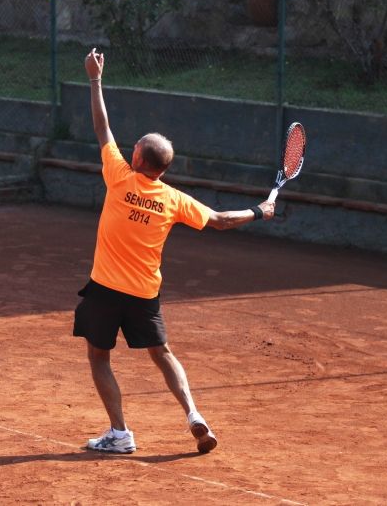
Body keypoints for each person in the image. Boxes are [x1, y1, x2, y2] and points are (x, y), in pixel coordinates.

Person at [75, 48, 276, 454]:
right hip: (145, 294)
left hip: (105, 289)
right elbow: (219, 220)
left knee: (99, 358)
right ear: (162, 168)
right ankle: (193, 414)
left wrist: (95, 79)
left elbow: (102, 128)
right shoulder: (172, 200)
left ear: (137, 158)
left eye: (134, 147)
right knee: (161, 352)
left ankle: (120, 433)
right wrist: (259, 210)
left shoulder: (118, 178)